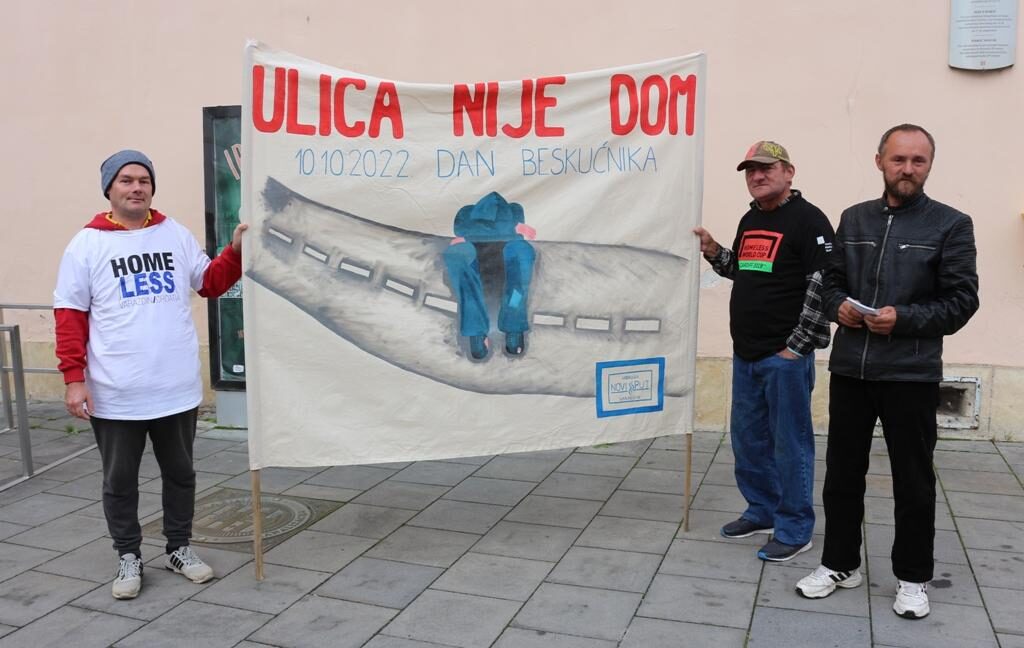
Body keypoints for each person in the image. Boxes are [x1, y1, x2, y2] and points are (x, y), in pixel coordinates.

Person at [796, 124, 979, 620]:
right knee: (841, 476)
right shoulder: (853, 218)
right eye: (899, 159)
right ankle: (839, 564)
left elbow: (962, 301)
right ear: (879, 161)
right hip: (851, 369)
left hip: (911, 374)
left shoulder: (951, 224)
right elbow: (830, 282)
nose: (908, 169)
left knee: (913, 482)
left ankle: (913, 578)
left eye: (919, 161)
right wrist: (838, 306)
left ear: (929, 165)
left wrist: (905, 319)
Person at [53, 150, 247, 599]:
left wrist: (235, 251)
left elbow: (211, 282)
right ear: (109, 188)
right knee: (119, 481)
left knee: (181, 474)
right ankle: (128, 554)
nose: (136, 187)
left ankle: (179, 547)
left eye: (143, 180)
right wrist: (73, 378)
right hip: (115, 392)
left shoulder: (174, 234)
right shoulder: (87, 244)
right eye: (126, 180)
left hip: (174, 388)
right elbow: (69, 314)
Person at [694, 141, 835, 562]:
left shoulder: (809, 220)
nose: (757, 176)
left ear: (789, 172)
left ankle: (795, 528)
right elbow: (742, 269)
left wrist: (796, 348)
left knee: (791, 446)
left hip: (783, 358)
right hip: (747, 355)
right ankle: (763, 510)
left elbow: (824, 285)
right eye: (750, 170)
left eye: (766, 168)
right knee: (749, 441)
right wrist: (714, 251)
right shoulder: (751, 218)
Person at [443, 191, 536, 360]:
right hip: (486, 258)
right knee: (515, 288)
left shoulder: (517, 248)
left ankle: (498, 330)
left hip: (495, 258)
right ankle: (497, 330)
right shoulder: (516, 246)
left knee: (515, 287)